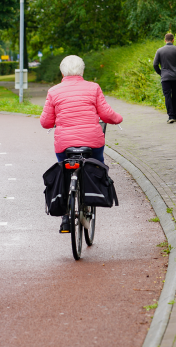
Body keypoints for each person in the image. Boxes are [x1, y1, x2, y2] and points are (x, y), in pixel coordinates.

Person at [40, 55, 123, 233]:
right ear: (82, 71)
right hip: (92, 142)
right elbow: (107, 114)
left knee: (63, 170)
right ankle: (91, 199)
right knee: (98, 165)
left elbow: (46, 122)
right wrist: (119, 119)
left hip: (65, 144)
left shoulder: (54, 91)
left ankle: (65, 216)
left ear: (62, 72)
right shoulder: (93, 88)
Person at [153, 33, 176, 123]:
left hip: (165, 77)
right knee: (175, 95)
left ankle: (171, 116)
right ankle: (175, 115)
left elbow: (155, 64)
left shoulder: (159, 50)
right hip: (175, 77)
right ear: (173, 40)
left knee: (167, 96)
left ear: (165, 40)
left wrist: (161, 73)